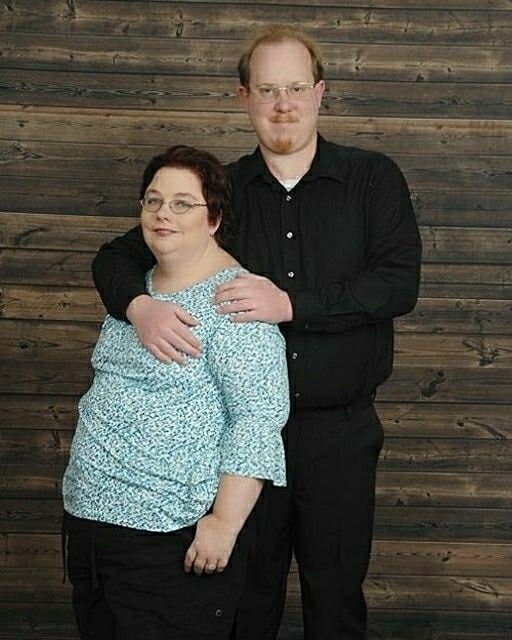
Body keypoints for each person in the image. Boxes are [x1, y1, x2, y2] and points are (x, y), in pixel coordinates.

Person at [91, 26, 422, 640]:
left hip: (337, 435)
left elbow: (398, 284)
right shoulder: (221, 193)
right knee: (244, 603)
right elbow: (115, 256)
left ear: (320, 91)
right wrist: (138, 307)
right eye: (267, 90)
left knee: (336, 600)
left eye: (295, 88)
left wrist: (291, 304)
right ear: (244, 97)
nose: (283, 104)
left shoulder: (372, 178)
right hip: (234, 448)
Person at [62, 144, 289, 640]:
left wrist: (224, 523)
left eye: (183, 203)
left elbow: (257, 419)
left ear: (214, 219)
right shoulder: (134, 290)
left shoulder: (236, 303)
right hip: (91, 525)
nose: (163, 213)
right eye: (153, 201)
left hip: (169, 535)